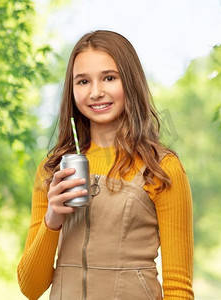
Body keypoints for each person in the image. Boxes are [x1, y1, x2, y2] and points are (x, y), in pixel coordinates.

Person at [17, 30, 194, 300]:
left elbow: (178, 288)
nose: (96, 92)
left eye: (109, 78)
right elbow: (30, 288)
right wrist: (52, 219)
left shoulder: (162, 167)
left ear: (130, 82)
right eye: (83, 81)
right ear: (72, 90)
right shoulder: (52, 170)